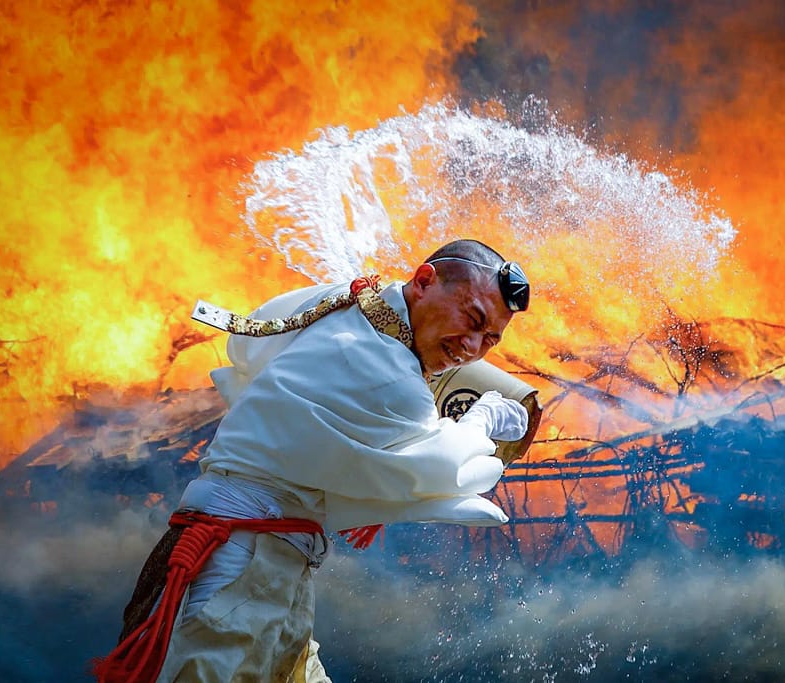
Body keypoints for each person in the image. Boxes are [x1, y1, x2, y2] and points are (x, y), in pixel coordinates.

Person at [95, 239, 532, 682]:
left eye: (490, 339)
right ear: (423, 281)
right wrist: (480, 419)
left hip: (261, 560)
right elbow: (444, 467)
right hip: (237, 564)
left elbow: (249, 347)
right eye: (472, 319)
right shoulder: (395, 382)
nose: (472, 347)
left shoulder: (338, 299)